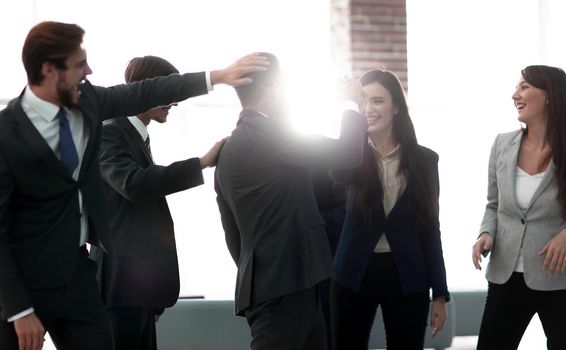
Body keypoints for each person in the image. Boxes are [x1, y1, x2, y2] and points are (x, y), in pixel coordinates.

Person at [0, 20, 267, 350]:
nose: (90, 70)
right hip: (26, 282)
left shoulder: (88, 103)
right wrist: (19, 309)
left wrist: (217, 77)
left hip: (77, 271)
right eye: (80, 64)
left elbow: (145, 91)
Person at [213, 52, 367, 350]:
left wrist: (263, 272)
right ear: (273, 88)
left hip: (284, 285)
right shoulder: (270, 135)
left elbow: (232, 232)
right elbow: (349, 153)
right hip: (285, 291)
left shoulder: (229, 150)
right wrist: (349, 103)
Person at [89, 55, 224, 350]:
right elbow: (134, 186)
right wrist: (200, 163)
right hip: (119, 287)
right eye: (170, 93)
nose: (175, 102)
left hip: (136, 290)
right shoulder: (110, 131)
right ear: (147, 89)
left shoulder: (136, 138)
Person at [330, 69, 450, 350]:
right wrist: (348, 109)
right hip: (353, 274)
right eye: (363, 102)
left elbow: (430, 227)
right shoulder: (349, 156)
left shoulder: (425, 160)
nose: (369, 109)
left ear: (396, 106)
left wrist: (440, 294)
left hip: (407, 274)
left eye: (377, 101)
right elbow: (336, 174)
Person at [472, 65, 566, 350]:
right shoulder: (502, 144)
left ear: (549, 94)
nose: (516, 95)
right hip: (506, 272)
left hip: (558, 277)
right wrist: (485, 233)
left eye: (525, 87)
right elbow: (494, 204)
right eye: (517, 87)